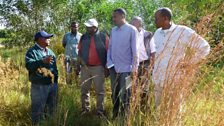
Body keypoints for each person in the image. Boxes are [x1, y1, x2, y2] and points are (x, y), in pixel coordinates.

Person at [152, 7, 210, 108]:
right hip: (158, 80)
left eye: (156, 18)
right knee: (159, 109)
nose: (154, 21)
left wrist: (190, 62)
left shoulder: (183, 31)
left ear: (165, 18)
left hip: (174, 80)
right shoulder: (157, 33)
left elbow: (204, 47)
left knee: (174, 109)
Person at [107, 8, 139, 118]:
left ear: (122, 16)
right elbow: (110, 48)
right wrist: (109, 64)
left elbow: (135, 51)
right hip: (114, 69)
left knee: (126, 95)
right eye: (113, 16)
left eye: (115, 16)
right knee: (114, 94)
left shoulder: (132, 30)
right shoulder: (113, 30)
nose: (113, 19)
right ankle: (115, 116)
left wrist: (134, 69)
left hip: (128, 70)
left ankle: (125, 118)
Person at [25, 30, 58, 125]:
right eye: (47, 37)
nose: (49, 39)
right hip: (39, 86)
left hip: (52, 85)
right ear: (39, 39)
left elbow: (54, 68)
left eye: (49, 37)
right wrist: (42, 61)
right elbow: (29, 66)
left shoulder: (50, 51)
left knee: (52, 109)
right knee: (38, 111)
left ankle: (50, 123)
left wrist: (55, 82)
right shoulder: (32, 52)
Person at [78, 18, 109, 117]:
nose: (87, 28)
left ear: (95, 27)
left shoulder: (103, 37)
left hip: (98, 68)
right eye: (86, 26)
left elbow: (109, 52)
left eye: (89, 27)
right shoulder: (83, 37)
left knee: (100, 91)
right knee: (84, 90)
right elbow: (79, 51)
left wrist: (106, 67)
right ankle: (85, 109)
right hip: (85, 67)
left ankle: (100, 111)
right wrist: (79, 65)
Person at [131, 16, 156, 101]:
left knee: (144, 87)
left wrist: (151, 66)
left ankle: (143, 106)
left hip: (145, 64)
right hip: (132, 64)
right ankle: (133, 107)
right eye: (132, 23)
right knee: (132, 86)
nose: (133, 25)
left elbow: (153, 51)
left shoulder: (148, 35)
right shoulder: (130, 34)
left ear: (140, 24)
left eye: (135, 23)